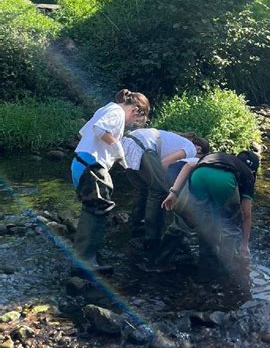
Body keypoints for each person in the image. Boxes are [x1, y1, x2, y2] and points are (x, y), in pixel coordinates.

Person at [71, 89, 150, 274]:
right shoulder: (116, 112)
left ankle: (86, 257)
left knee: (91, 210)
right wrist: (115, 146)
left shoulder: (105, 109)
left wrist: (118, 157)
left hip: (81, 164)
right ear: (136, 110)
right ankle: (85, 262)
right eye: (137, 120)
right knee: (98, 211)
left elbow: (85, 133)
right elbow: (100, 130)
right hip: (91, 166)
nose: (132, 124)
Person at [162, 150, 260, 277]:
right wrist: (244, 245)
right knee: (230, 226)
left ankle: (160, 262)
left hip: (199, 175)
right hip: (224, 183)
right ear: (253, 170)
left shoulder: (216, 156)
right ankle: (221, 272)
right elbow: (246, 215)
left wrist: (173, 193)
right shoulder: (247, 174)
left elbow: (188, 166)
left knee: (183, 221)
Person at [122, 128, 209, 260]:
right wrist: (168, 186)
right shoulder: (190, 147)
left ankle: (137, 232)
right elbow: (164, 163)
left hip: (126, 143)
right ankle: (153, 240)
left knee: (142, 190)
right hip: (142, 146)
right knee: (159, 191)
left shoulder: (175, 140)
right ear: (199, 150)